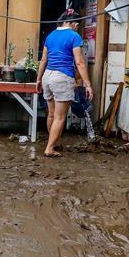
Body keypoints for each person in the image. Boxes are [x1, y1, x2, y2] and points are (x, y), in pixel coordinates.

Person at [35, 9, 93, 157]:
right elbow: (79, 62)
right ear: (74, 23)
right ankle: (50, 148)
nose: (77, 28)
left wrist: (38, 79)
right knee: (60, 117)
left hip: (48, 76)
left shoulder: (51, 35)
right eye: (77, 25)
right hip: (62, 77)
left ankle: (53, 142)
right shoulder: (74, 36)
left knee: (52, 115)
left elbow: (43, 60)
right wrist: (87, 83)